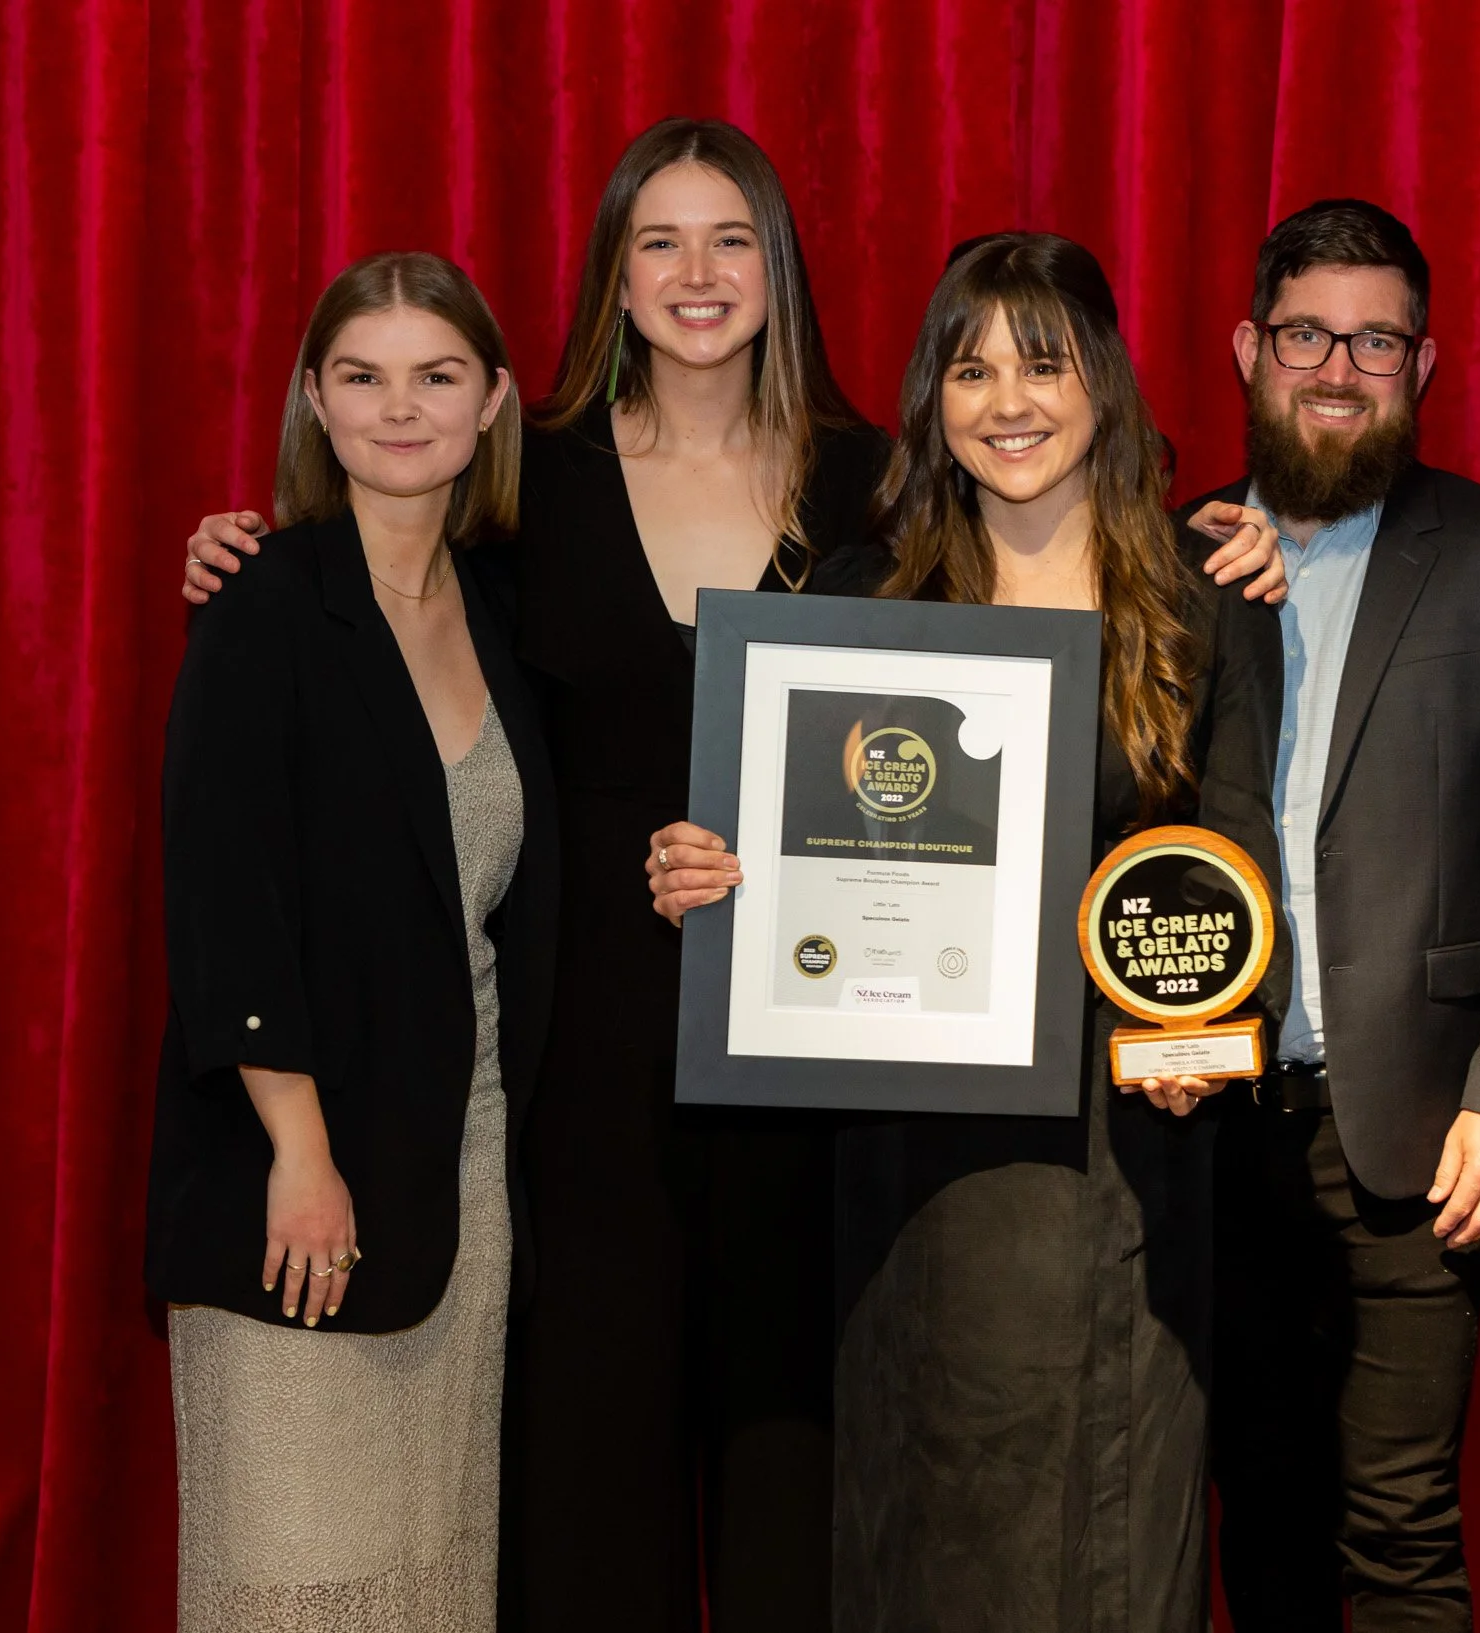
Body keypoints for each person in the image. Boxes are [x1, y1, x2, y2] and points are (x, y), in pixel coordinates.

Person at [179, 121, 1285, 1632]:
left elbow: (1030, 627)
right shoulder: (534, 476)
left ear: (779, 267)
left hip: (824, 1057)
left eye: (731, 240)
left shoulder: (870, 488)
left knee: (800, 1469)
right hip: (584, 1060)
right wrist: (251, 543)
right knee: (589, 1469)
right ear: (613, 276)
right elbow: (392, 571)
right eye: (660, 242)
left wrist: (1229, 533)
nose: (698, 275)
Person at [650, 231, 1288, 1632]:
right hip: (907, 1162)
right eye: (971, 364)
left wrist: (1201, 1034)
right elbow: (783, 860)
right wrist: (714, 878)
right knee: (925, 1524)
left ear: (1105, 388)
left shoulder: (1201, 601)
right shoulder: (859, 603)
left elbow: (1237, 869)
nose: (1010, 399)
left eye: (1045, 362)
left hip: (1121, 1158)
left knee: (1103, 1545)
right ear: (931, 398)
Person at [1174, 200, 1480, 1630]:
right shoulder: (1172, 562)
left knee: (1399, 1531)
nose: (1339, 368)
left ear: (1423, 367)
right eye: (1307, 334)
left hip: (1423, 1141)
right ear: (1250, 349)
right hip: (1208, 1131)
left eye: (1376, 339)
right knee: (1259, 1512)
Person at [146, 250, 556, 1631]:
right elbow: (223, 905)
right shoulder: (264, 604)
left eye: (437, 376)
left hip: (464, 1167)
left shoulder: (495, 610)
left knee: (430, 1574)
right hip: (294, 1178)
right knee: (292, 1581)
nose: (400, 409)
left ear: (494, 400)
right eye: (362, 377)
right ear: (316, 403)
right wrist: (301, 1157)